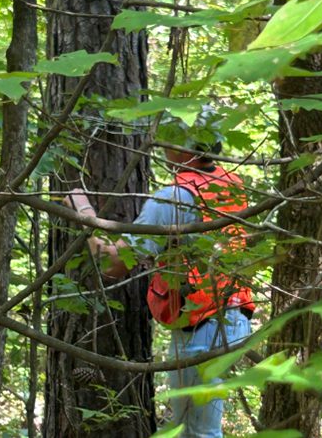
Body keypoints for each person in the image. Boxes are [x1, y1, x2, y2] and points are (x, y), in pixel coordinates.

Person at [63, 137, 255, 438]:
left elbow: (114, 263)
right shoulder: (230, 183)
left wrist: (83, 211)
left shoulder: (172, 198)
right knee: (190, 429)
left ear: (181, 147)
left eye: (169, 137)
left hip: (204, 327)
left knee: (199, 433)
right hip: (231, 319)